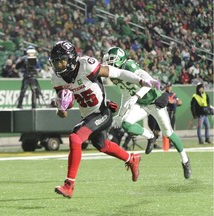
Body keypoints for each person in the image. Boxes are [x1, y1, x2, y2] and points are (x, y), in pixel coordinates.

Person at [49, 40, 159, 199]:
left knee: (75, 137)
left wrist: (140, 81)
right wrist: (61, 108)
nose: (58, 66)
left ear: (71, 59)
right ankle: (131, 159)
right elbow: (63, 111)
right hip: (88, 115)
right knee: (102, 145)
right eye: (56, 62)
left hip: (102, 113)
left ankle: (69, 185)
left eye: (61, 61)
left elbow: (118, 73)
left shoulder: (86, 65)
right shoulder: (57, 79)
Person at [103, 47, 191, 179]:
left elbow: (149, 82)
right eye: (108, 60)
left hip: (154, 101)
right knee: (126, 123)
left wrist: (136, 96)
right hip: (141, 104)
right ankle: (150, 136)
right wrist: (120, 115)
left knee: (168, 133)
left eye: (111, 60)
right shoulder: (115, 75)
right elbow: (125, 94)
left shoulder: (129, 66)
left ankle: (185, 160)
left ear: (120, 60)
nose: (109, 63)